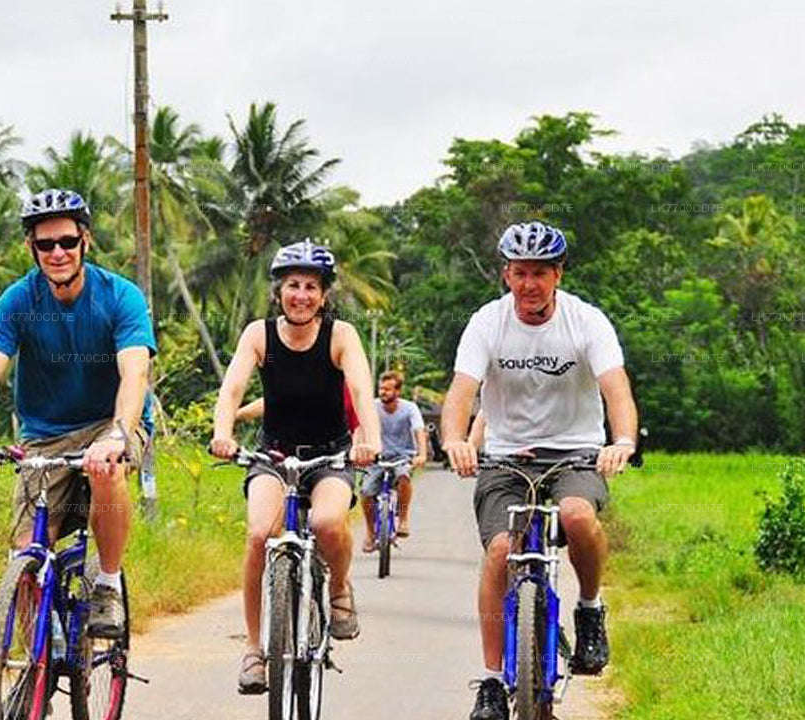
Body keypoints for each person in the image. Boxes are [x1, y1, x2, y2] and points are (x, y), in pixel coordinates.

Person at [439, 221, 637, 720]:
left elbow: (616, 389)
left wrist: (623, 441)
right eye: (520, 273)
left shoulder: (586, 321)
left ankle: (589, 609)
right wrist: (455, 441)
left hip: (575, 454)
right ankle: (490, 681)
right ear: (506, 274)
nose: (529, 285)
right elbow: (461, 392)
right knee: (502, 550)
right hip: (506, 459)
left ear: (558, 274)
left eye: (540, 274)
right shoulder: (487, 322)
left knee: (575, 515)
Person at [0, 188, 155, 641]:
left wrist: (118, 435)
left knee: (108, 471)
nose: (57, 253)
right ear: (32, 248)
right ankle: (40, 653)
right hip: (45, 435)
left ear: (86, 241)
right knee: (25, 550)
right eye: (46, 244)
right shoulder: (18, 301)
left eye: (66, 241)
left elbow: (134, 371)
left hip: (111, 422)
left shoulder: (120, 296)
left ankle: (107, 584)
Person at [209, 239, 381, 695]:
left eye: (310, 287)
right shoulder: (258, 335)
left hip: (330, 455)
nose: (300, 295)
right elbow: (231, 391)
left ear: (324, 295)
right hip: (274, 454)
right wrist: (223, 433)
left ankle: (340, 589)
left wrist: (371, 441)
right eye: (292, 286)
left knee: (327, 523)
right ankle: (253, 649)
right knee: (259, 535)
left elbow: (362, 393)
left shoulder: (341, 335)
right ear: (278, 291)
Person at [359, 370, 428, 551]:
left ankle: (403, 519)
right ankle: (370, 532)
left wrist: (422, 454)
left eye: (388, 389)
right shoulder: (372, 407)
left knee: (403, 477)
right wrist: (358, 449)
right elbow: (360, 428)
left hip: (402, 457)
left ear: (398, 391)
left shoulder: (410, 408)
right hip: (377, 457)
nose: (383, 392)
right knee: (366, 491)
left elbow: (419, 431)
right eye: (381, 389)